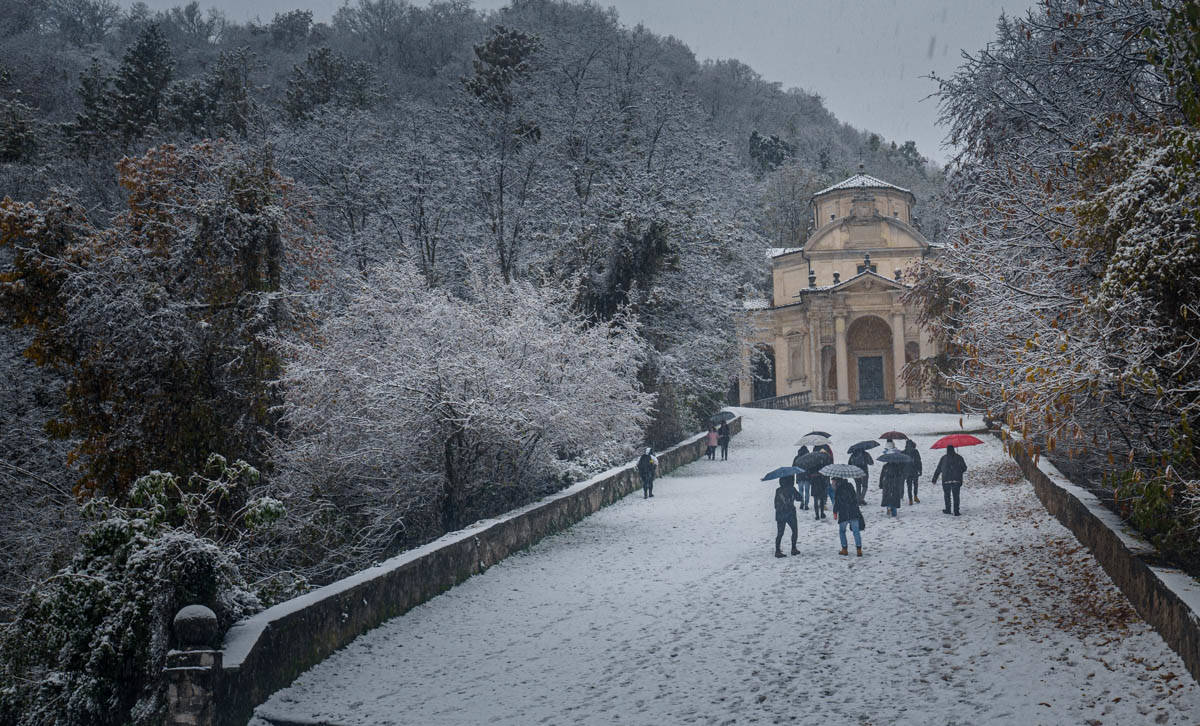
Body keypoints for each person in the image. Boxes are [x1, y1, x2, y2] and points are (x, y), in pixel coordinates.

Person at [932, 444, 968, 515]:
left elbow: (938, 469)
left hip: (946, 479)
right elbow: (964, 468)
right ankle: (956, 511)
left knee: (947, 495)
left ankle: (948, 509)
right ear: (954, 449)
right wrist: (959, 471)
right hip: (956, 479)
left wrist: (934, 478)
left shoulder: (943, 458)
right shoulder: (959, 457)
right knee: (956, 496)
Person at [832, 477, 863, 556]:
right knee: (856, 532)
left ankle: (844, 549)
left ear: (837, 481)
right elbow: (854, 498)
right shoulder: (850, 486)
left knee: (842, 531)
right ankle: (859, 550)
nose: (832, 483)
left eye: (833, 481)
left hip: (843, 513)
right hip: (853, 512)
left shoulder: (838, 490)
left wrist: (835, 512)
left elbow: (837, 502)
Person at [773, 475, 801, 557]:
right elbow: (799, 498)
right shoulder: (792, 489)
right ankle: (793, 548)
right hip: (790, 513)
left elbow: (775, 504)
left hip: (780, 514)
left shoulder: (778, 490)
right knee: (794, 531)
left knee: (780, 533)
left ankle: (777, 551)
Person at [808, 445, 833, 520]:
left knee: (816, 499)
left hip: (814, 483)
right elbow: (826, 470)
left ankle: (817, 515)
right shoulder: (824, 461)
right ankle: (821, 513)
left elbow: (809, 472)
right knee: (821, 499)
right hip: (821, 482)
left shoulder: (812, 462)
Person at [903, 439, 923, 505]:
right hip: (915, 470)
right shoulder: (915, 451)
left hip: (907, 471)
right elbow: (919, 461)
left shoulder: (904, 452)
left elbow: (901, 463)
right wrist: (920, 470)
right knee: (915, 484)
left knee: (909, 486)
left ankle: (910, 500)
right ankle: (915, 496)